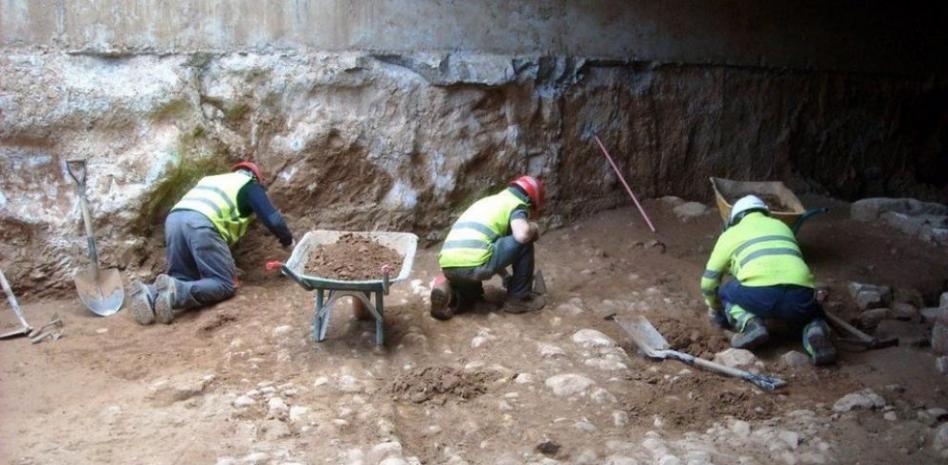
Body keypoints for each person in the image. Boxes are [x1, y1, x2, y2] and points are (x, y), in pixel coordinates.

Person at [129, 161, 294, 325]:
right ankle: (176, 291)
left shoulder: (210, 180)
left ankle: (148, 292)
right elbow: (274, 221)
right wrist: (289, 243)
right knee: (224, 284)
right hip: (202, 222)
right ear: (255, 177)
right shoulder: (248, 184)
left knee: (183, 278)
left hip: (174, 220)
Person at [700, 195, 837, 365]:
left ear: (735, 218)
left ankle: (750, 324)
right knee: (813, 312)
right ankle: (815, 332)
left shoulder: (730, 234)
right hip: (799, 295)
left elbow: (708, 282)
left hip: (759, 295)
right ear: (765, 212)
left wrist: (715, 309)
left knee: (724, 292)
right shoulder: (783, 226)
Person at [430, 176, 545, 319]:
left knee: (472, 298)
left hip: (449, 265)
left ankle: (451, 296)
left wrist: (506, 276)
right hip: (475, 263)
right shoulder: (517, 204)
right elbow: (522, 235)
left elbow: (490, 246)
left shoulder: (488, 202)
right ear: (529, 201)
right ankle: (519, 299)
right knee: (526, 238)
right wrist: (533, 227)